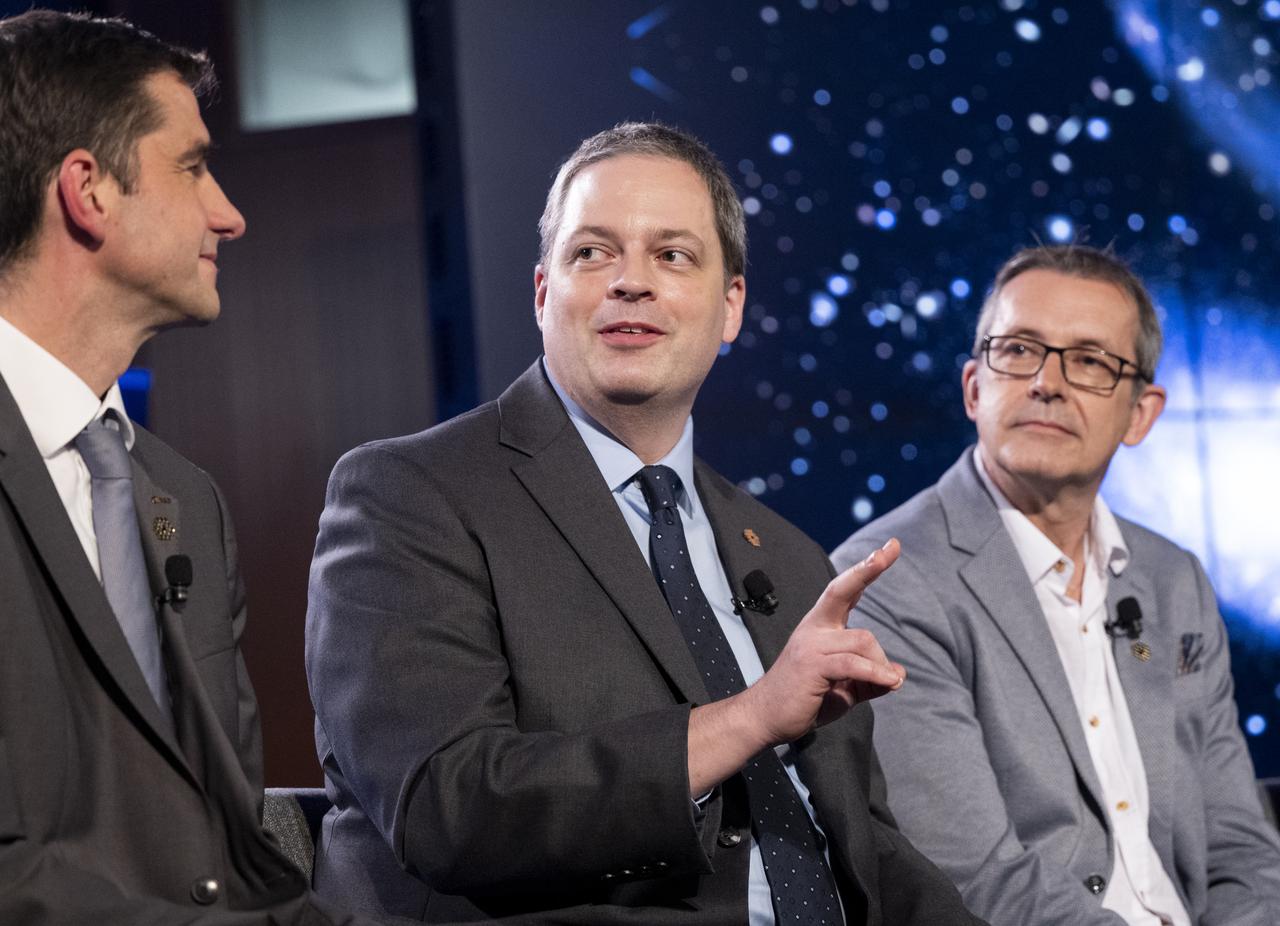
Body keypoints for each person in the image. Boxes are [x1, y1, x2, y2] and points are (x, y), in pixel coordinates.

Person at [306, 122, 983, 924]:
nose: (631, 282)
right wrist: (753, 716)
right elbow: (447, 808)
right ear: (542, 293)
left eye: (673, 255)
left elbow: (866, 850)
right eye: (592, 253)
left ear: (730, 306)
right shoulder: (410, 495)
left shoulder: (791, 559)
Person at [0, 10, 384, 924]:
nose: (230, 213)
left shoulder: (185, 501)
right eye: (193, 165)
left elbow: (228, 839)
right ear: (88, 191)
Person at [831, 244, 1280, 925]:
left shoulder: (1173, 578)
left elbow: (1241, 849)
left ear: (1141, 414)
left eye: (1092, 361)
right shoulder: (889, 578)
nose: (1048, 381)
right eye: (1019, 350)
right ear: (975, 386)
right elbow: (972, 878)